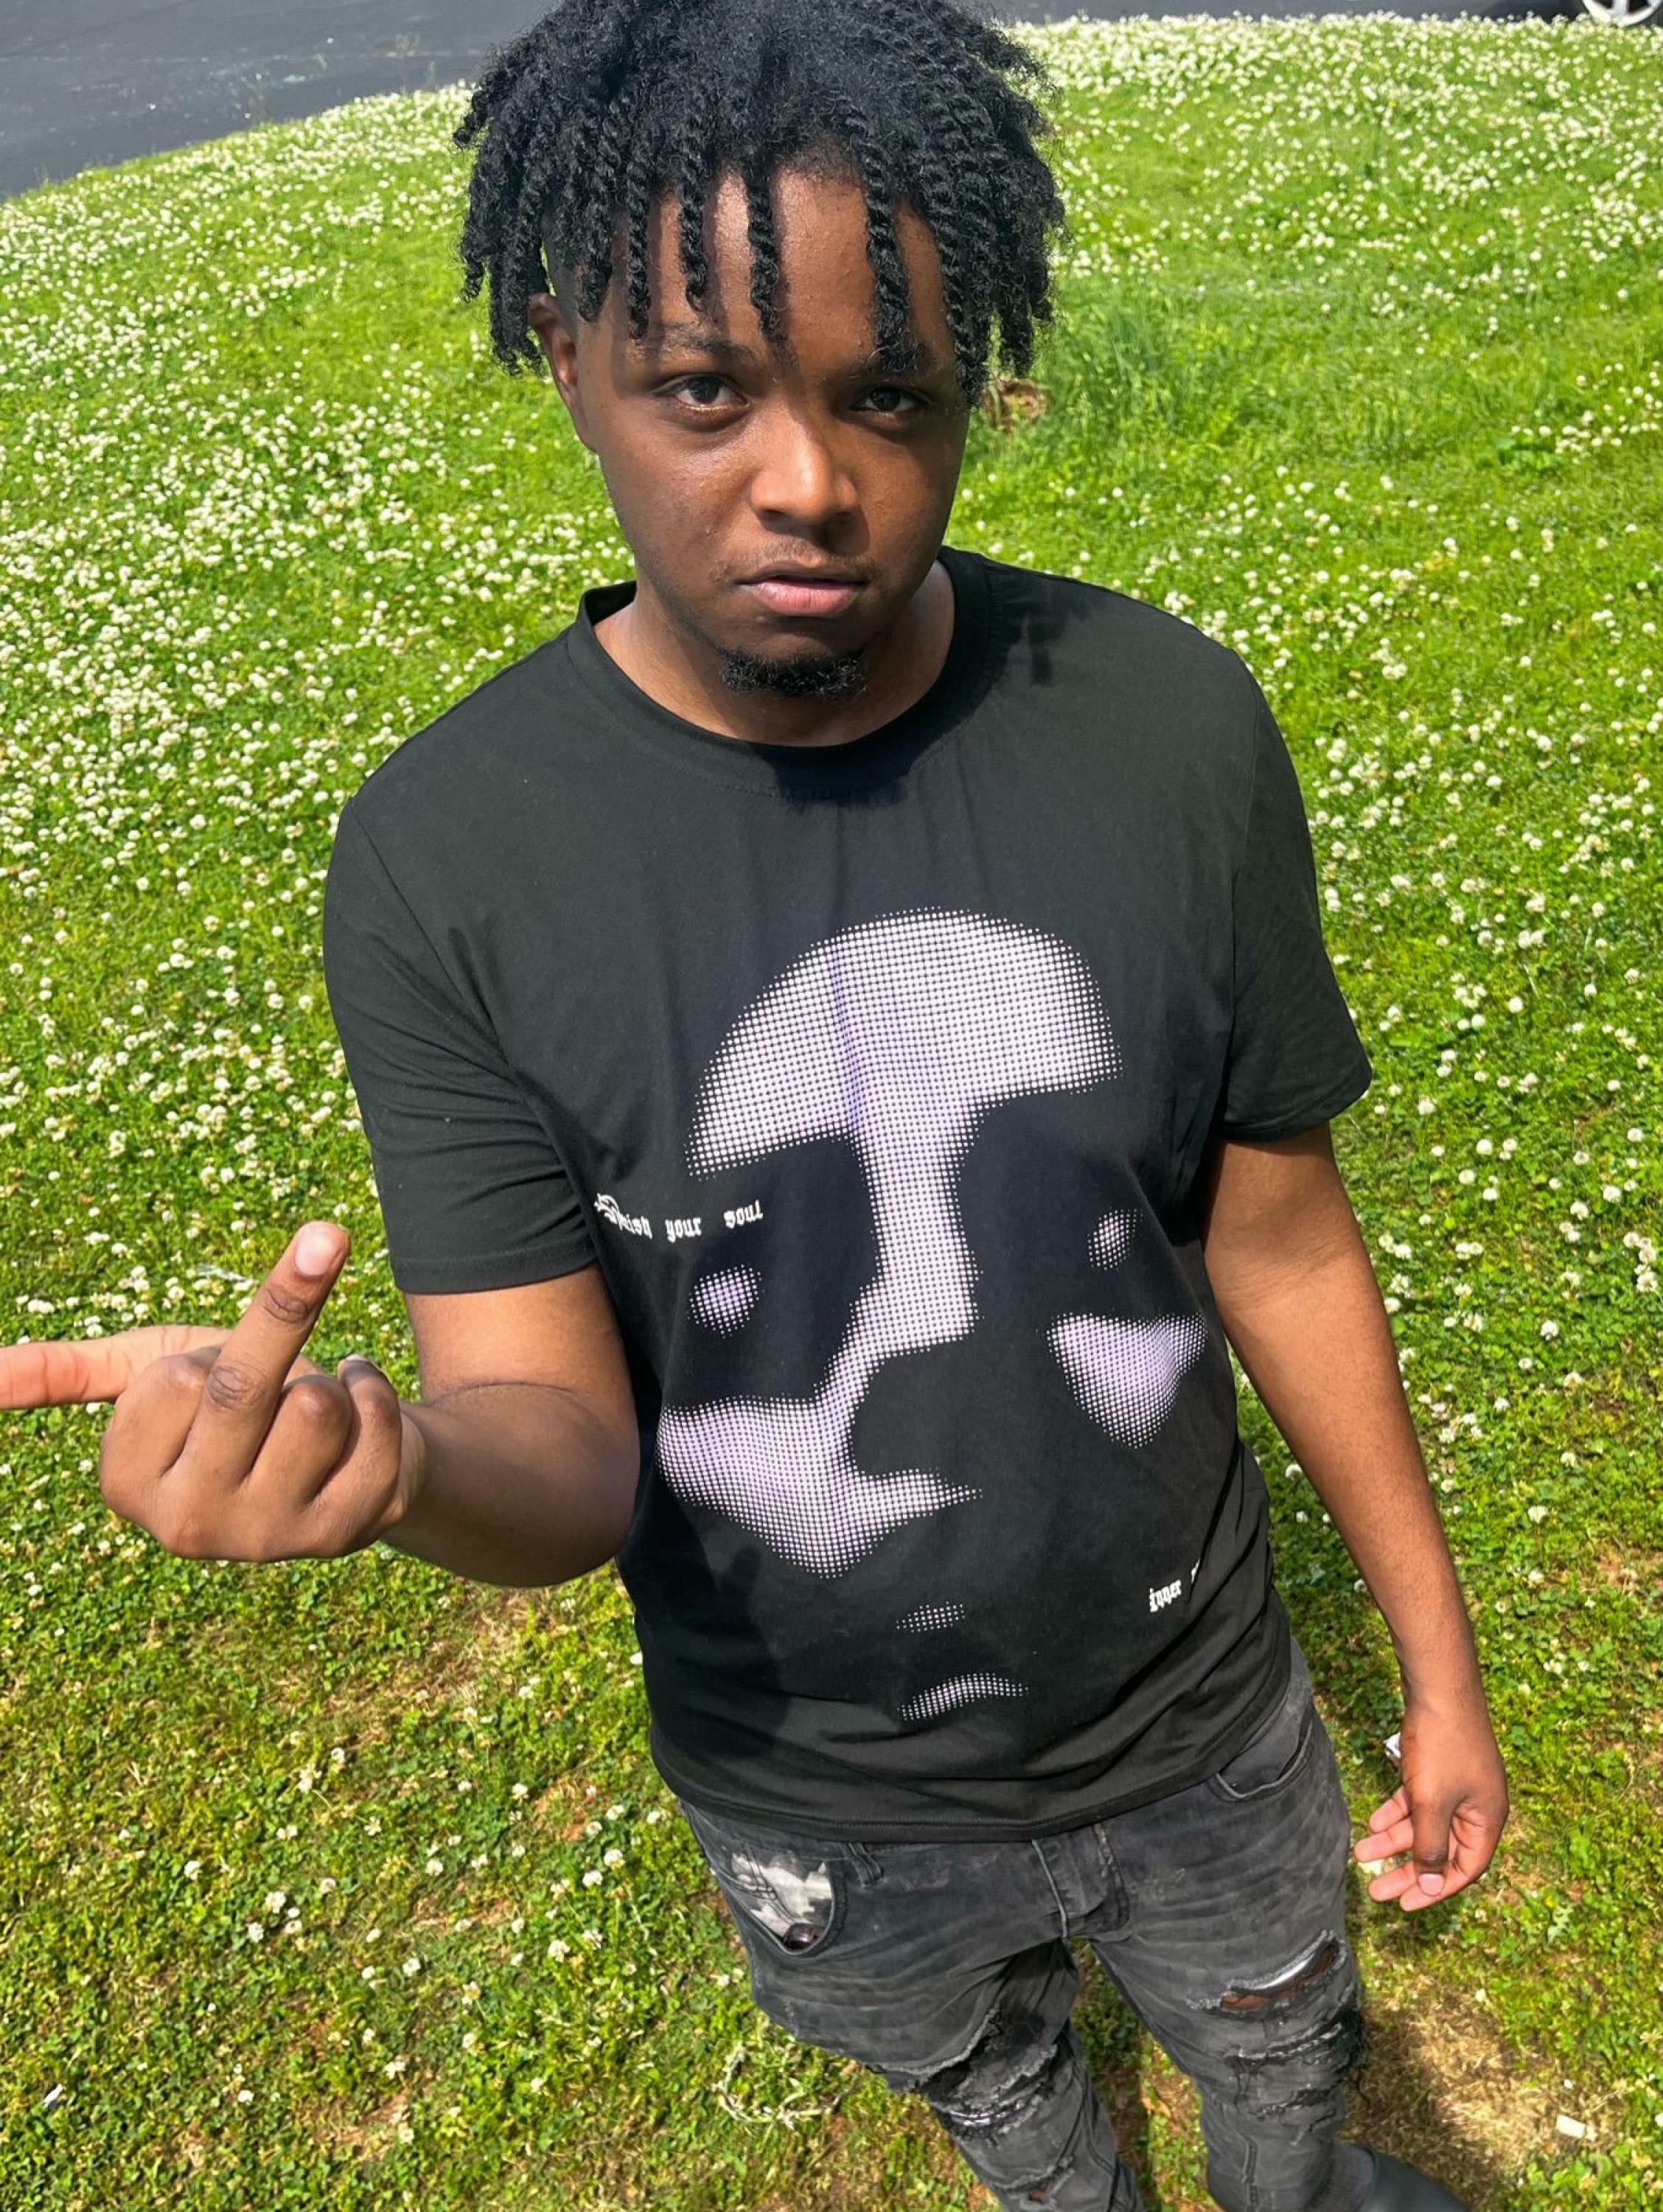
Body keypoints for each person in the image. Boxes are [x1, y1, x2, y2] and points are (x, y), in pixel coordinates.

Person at [0, 3, 1510, 2205]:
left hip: (1204, 1716)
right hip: (817, 1801)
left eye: (889, 392)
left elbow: (1276, 1238)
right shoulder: (449, 862)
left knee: (1286, 2052)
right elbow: (556, 1439)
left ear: (976, 377)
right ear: (565, 354)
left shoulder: (1168, 731)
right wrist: (395, 1465)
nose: (807, 477)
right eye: (705, 388)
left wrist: (1439, 1665)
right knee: (1004, 2097)